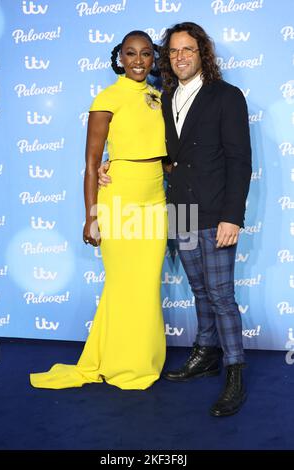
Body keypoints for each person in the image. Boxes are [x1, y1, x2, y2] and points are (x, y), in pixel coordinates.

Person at [99, 22, 252, 416]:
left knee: (220, 295)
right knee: (200, 290)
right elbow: (157, 151)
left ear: (203, 54)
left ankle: (235, 370)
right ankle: (206, 354)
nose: (180, 57)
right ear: (168, 59)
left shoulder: (227, 96)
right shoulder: (163, 99)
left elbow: (239, 160)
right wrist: (107, 164)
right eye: (174, 51)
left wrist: (233, 217)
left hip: (216, 211)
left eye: (188, 50)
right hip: (180, 212)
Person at [30, 30, 168, 391]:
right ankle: (123, 365)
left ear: (154, 58)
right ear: (119, 58)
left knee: (145, 285)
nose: (138, 61)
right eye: (130, 54)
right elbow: (92, 163)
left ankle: (135, 359)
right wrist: (91, 216)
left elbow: (164, 154)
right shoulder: (107, 97)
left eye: (146, 54)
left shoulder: (158, 96)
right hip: (119, 198)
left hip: (155, 198)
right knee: (125, 284)